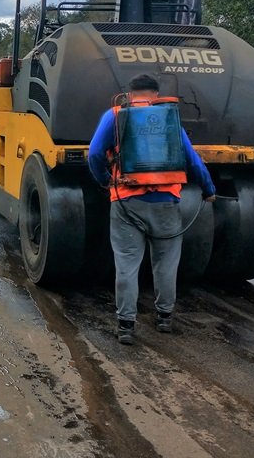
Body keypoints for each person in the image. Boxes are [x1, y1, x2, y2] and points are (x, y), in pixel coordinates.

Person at [87, 73, 215, 345]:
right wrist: (209, 189)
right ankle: (165, 318)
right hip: (166, 203)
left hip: (126, 203)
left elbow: (96, 153)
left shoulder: (115, 115)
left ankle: (126, 326)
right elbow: (192, 159)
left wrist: (105, 181)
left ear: (130, 94)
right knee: (166, 264)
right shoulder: (169, 118)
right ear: (155, 95)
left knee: (126, 265)